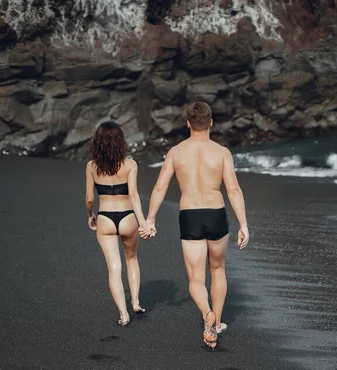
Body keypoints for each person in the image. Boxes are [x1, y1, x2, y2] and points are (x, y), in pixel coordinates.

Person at [141, 101, 249, 349]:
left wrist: (150, 219)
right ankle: (217, 322)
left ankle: (206, 314)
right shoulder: (222, 152)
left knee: (195, 278)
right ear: (211, 122)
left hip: (190, 214)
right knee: (218, 270)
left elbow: (160, 187)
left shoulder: (176, 152)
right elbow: (233, 189)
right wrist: (243, 224)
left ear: (188, 123)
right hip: (216, 214)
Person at [86, 121, 151, 326]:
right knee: (131, 258)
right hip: (127, 217)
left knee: (114, 268)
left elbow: (89, 198)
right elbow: (133, 195)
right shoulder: (130, 165)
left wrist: (90, 215)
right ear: (120, 141)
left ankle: (123, 314)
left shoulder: (91, 166)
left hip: (105, 218)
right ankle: (136, 302)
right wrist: (143, 223)